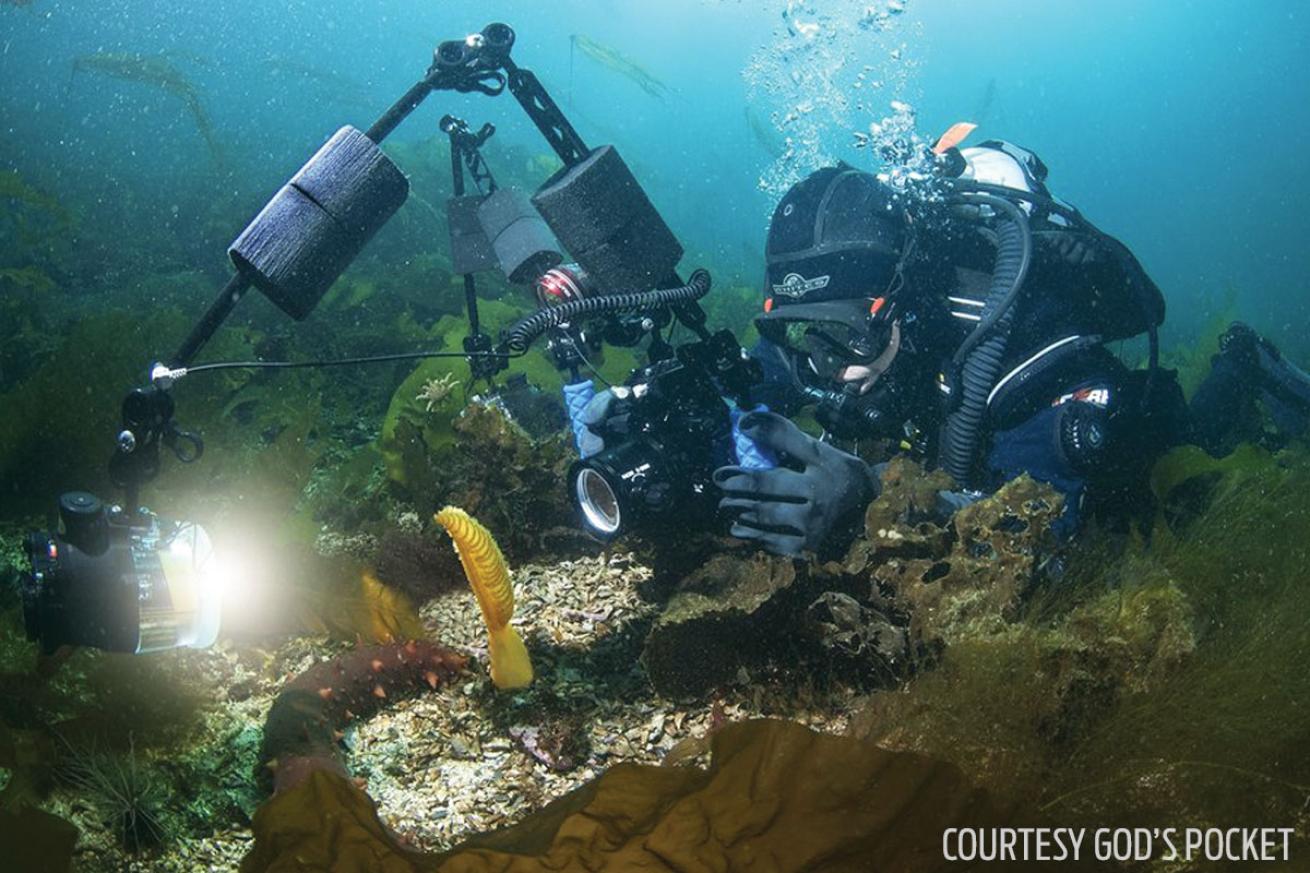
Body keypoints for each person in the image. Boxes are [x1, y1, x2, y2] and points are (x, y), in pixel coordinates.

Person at [586, 136, 1310, 557]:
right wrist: (681, 405)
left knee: (1194, 442)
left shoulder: (1020, 363)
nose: (828, 366)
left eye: (847, 334)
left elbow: (1037, 543)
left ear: (900, 302)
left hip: (1116, 436)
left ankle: (1241, 361)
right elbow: (770, 373)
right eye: (802, 332)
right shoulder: (834, 347)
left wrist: (872, 506)